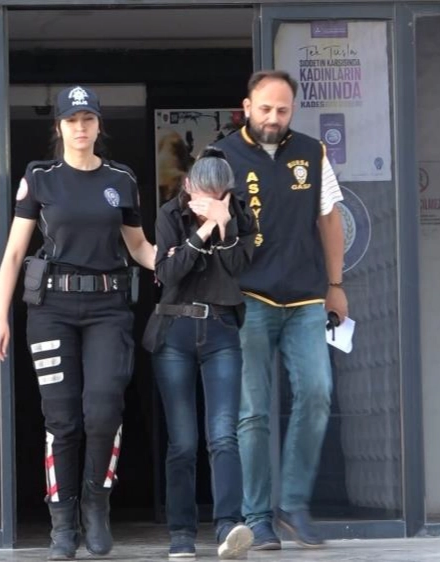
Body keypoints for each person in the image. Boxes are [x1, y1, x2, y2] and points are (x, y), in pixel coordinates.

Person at [0, 85, 155, 560]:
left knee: (103, 412)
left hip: (108, 309)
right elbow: (14, 253)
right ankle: (62, 524)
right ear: (58, 127)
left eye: (88, 119)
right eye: (71, 120)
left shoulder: (121, 178)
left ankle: (96, 506)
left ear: (99, 125)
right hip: (51, 310)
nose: (80, 127)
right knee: (61, 419)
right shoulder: (40, 177)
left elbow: (139, 247)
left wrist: (181, 262)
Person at [214, 70, 348, 550]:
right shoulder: (221, 156)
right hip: (248, 297)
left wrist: (336, 285)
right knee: (253, 412)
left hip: (307, 296)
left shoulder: (312, 152)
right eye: (266, 108)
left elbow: (329, 219)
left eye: (283, 110)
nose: (273, 118)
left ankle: (293, 504)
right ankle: (258, 518)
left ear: (293, 111)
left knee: (316, 393)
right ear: (247, 107)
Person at [148, 147, 257, 559]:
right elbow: (167, 273)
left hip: (221, 329)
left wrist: (225, 225)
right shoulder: (169, 215)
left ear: (226, 193)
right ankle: (181, 532)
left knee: (223, 434)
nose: (206, 203)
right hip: (174, 330)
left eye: (216, 198)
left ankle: (229, 525)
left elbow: (237, 268)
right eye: (200, 195)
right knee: (182, 441)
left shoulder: (241, 217)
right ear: (188, 185)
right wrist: (203, 232)